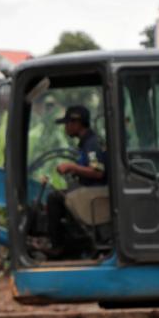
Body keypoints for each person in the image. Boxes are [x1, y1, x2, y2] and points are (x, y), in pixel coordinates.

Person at [45, 105, 108, 256]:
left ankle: (58, 246)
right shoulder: (86, 143)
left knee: (54, 198)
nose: (66, 127)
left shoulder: (92, 144)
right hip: (88, 191)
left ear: (77, 123)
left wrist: (71, 166)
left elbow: (97, 172)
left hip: (96, 193)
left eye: (67, 123)